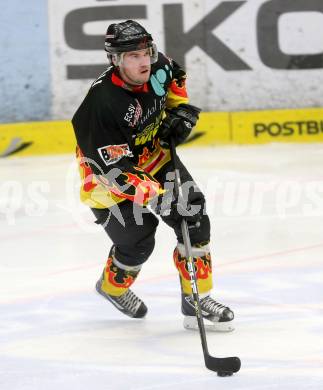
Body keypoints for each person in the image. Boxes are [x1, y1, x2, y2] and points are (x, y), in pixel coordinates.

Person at [72, 20, 234, 331]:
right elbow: (114, 171)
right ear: (115, 60)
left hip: (152, 155)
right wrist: (159, 197)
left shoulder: (159, 64)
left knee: (193, 216)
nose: (144, 60)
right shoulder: (101, 105)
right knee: (138, 241)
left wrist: (181, 112)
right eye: (133, 56)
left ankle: (195, 300)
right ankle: (112, 287)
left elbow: (176, 78)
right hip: (107, 182)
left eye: (145, 51)